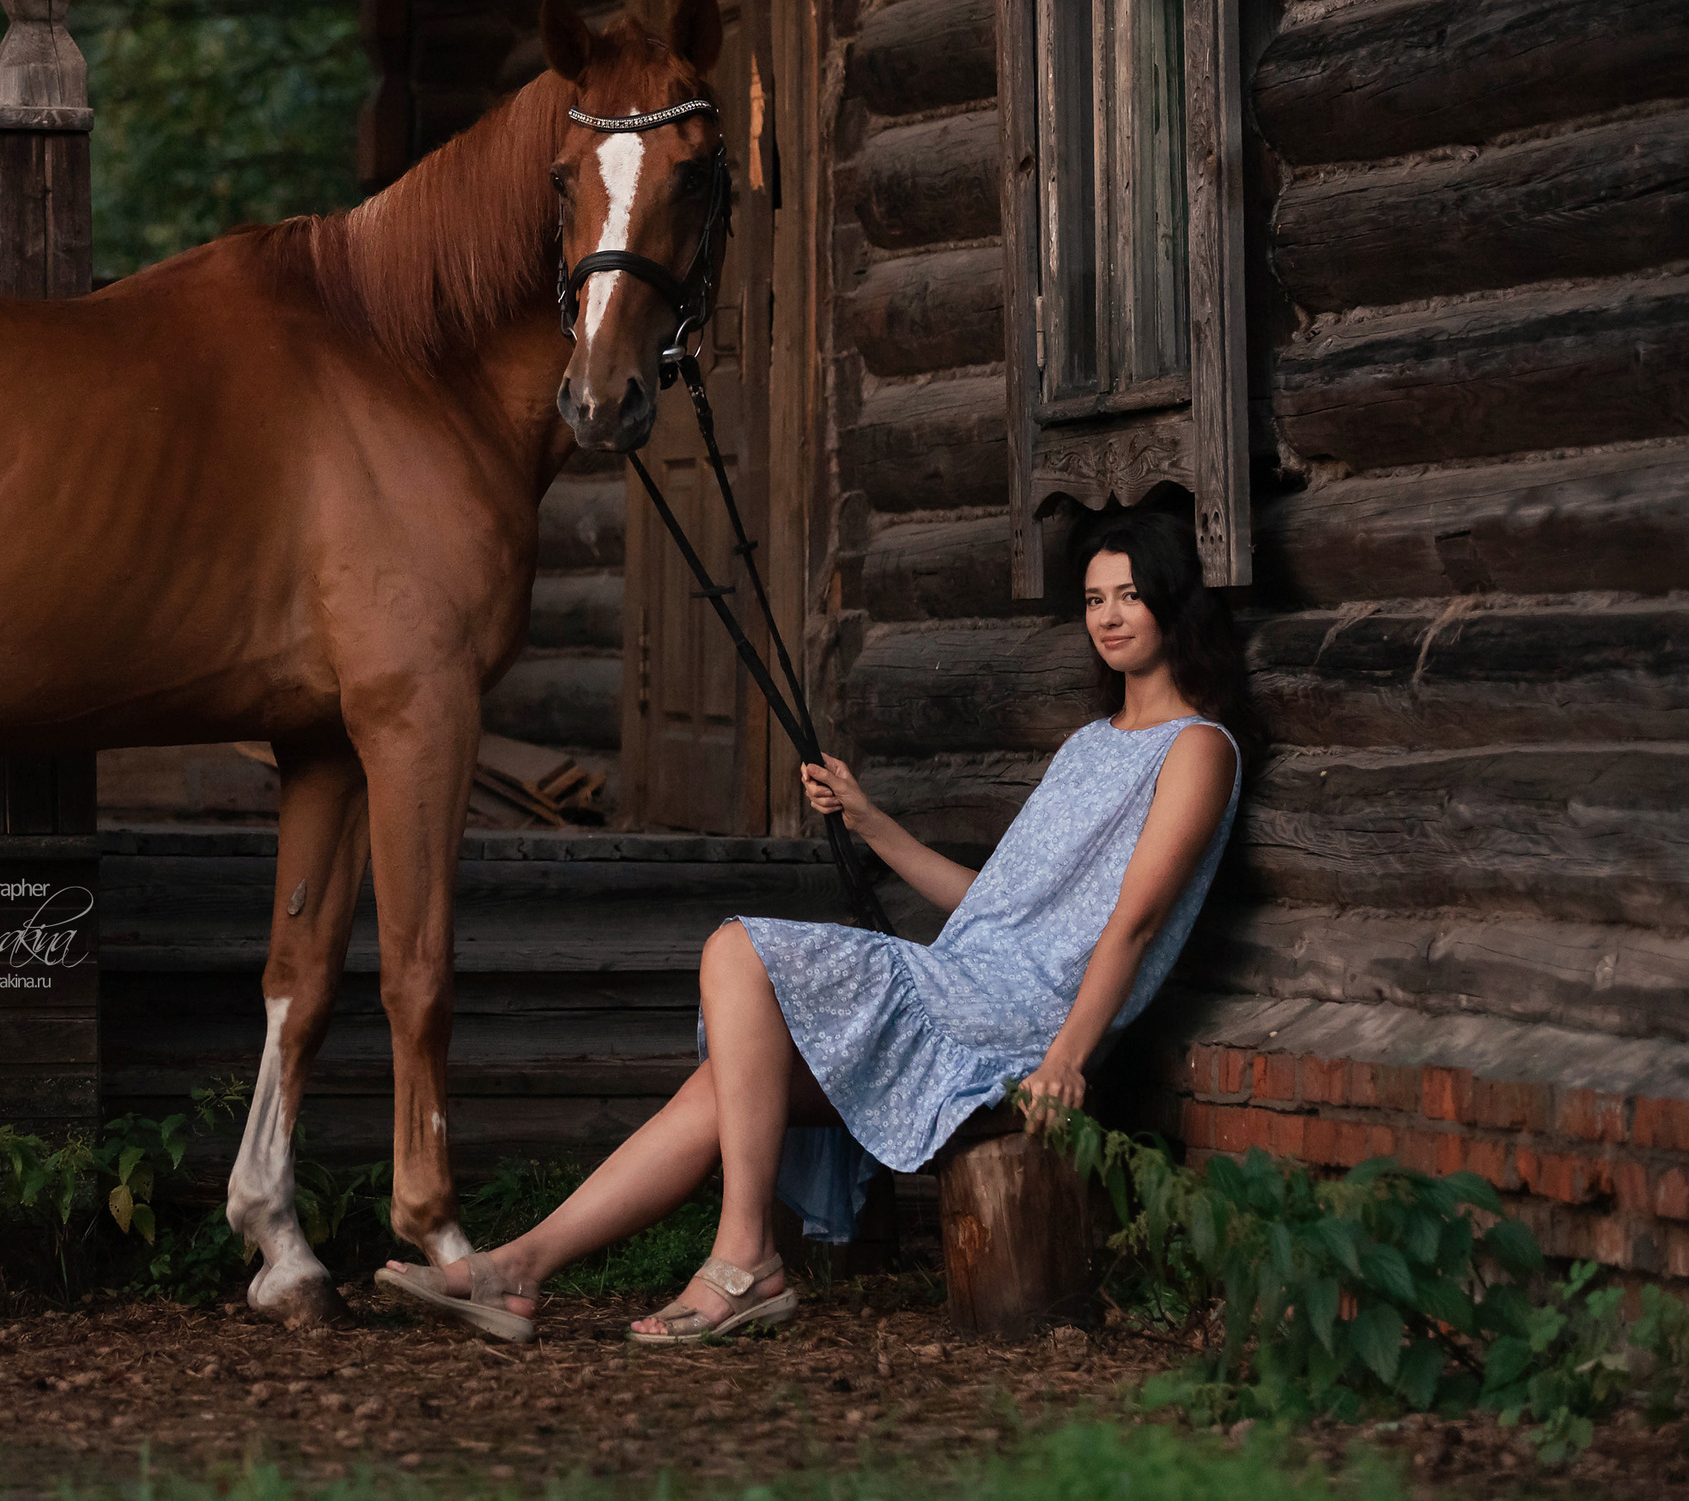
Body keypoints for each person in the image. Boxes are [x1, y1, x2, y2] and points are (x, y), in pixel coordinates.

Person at [375, 508, 1250, 1343]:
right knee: (727, 1082)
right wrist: (869, 821)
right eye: (1094, 599)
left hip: (1020, 1021)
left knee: (738, 948)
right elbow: (996, 905)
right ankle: (517, 1268)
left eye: (1128, 594)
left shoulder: (1196, 748)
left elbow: (1131, 926)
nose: (1108, 616)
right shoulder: (1088, 743)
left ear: (1171, 597)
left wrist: (1063, 1058)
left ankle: (746, 1253)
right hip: (965, 982)